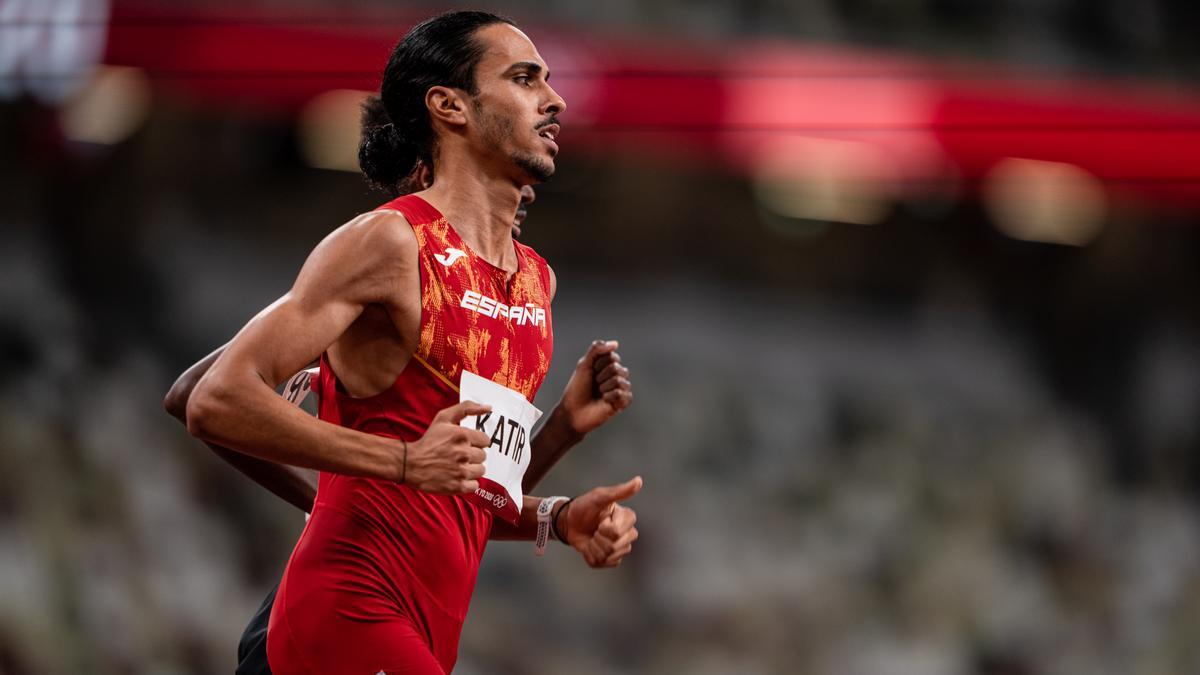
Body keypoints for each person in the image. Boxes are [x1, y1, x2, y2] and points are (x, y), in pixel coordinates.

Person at [183, 10, 641, 674]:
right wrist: (393, 465)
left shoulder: (536, 284)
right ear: (450, 106)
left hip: (427, 626)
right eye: (524, 79)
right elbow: (210, 399)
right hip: (348, 608)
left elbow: (463, 493)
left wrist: (560, 464)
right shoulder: (389, 242)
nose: (556, 100)